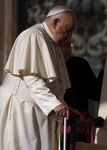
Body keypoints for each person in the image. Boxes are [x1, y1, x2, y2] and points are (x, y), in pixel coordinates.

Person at [0, 5, 82, 150]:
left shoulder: (54, 44)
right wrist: (54, 105)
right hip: (23, 109)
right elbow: (33, 80)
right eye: (68, 30)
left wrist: (64, 107)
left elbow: (56, 86)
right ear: (55, 23)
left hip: (41, 110)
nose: (70, 35)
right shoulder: (33, 36)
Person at [60, 40, 107, 148]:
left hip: (79, 131)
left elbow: (97, 93)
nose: (65, 50)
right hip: (53, 132)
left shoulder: (80, 64)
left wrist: (105, 67)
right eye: (60, 46)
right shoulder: (44, 67)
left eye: (67, 45)